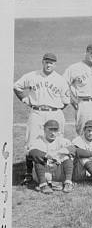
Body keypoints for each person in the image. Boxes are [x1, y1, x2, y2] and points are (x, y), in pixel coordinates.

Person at [13, 52, 70, 185]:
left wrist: (55, 109)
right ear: (42, 62)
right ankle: (28, 173)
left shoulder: (60, 79)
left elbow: (66, 101)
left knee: (56, 140)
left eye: (51, 62)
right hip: (37, 112)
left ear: (55, 64)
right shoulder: (32, 76)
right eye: (46, 62)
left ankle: (54, 169)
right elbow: (17, 86)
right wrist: (24, 98)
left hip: (55, 112)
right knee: (31, 141)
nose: (48, 64)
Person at [28, 119, 75, 194]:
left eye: (55, 130)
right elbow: (31, 152)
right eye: (50, 130)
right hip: (43, 173)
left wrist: (58, 152)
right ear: (44, 130)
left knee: (66, 157)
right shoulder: (39, 140)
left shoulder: (61, 140)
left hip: (58, 172)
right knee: (38, 159)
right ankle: (43, 185)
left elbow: (73, 149)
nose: (53, 133)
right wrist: (48, 155)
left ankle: (68, 183)